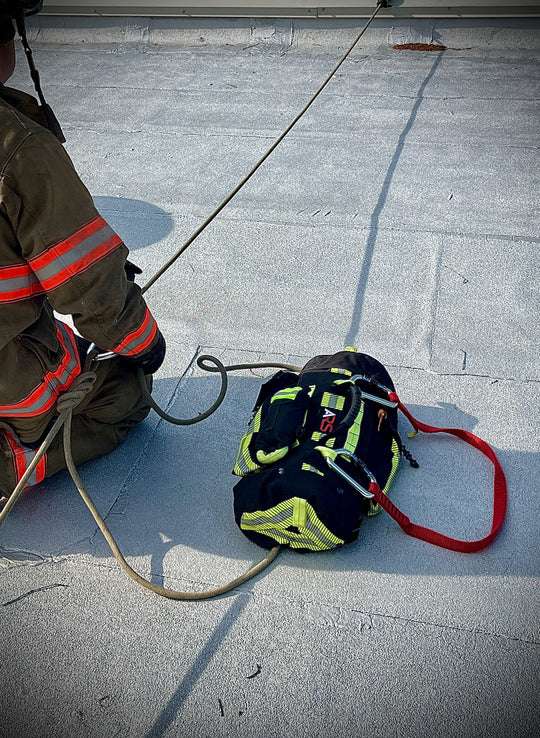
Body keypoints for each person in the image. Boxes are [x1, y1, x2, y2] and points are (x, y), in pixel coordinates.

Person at [0, 7, 165, 498]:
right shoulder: (18, 148)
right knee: (125, 392)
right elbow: (90, 285)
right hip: (10, 377)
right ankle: (13, 467)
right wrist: (144, 344)